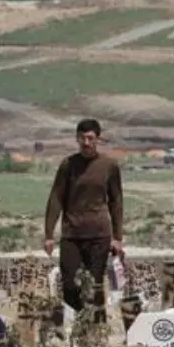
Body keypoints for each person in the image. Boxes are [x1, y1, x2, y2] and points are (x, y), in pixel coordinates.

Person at [44, 118, 124, 313]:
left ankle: (96, 330)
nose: (86, 143)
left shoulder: (109, 166)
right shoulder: (68, 165)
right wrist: (48, 235)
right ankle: (75, 326)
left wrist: (117, 237)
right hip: (72, 233)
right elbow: (56, 198)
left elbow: (116, 201)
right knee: (70, 283)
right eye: (82, 138)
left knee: (95, 285)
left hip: (99, 234)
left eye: (90, 138)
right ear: (77, 139)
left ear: (98, 139)